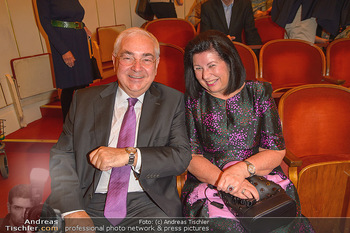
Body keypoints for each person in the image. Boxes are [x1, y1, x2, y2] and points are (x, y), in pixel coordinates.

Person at [46, 27, 191, 232]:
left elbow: (180, 156)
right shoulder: (83, 100)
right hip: (88, 200)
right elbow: (62, 156)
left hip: (148, 202)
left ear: (157, 64)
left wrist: (128, 156)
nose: (137, 68)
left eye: (147, 59)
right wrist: (73, 211)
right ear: (114, 60)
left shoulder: (173, 101)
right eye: (128, 57)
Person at [181, 30, 314, 232]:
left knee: (276, 222)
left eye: (211, 65)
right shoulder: (192, 101)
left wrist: (241, 171)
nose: (205, 76)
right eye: (198, 68)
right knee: (226, 225)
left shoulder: (258, 93)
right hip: (211, 180)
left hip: (260, 176)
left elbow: (275, 150)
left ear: (229, 62)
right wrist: (227, 182)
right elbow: (192, 157)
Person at [36, 0, 94, 121]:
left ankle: (84, 119)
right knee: (69, 85)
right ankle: (68, 124)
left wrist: (83, 25)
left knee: (83, 83)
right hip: (63, 41)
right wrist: (63, 50)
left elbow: (74, 14)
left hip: (79, 39)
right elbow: (45, 23)